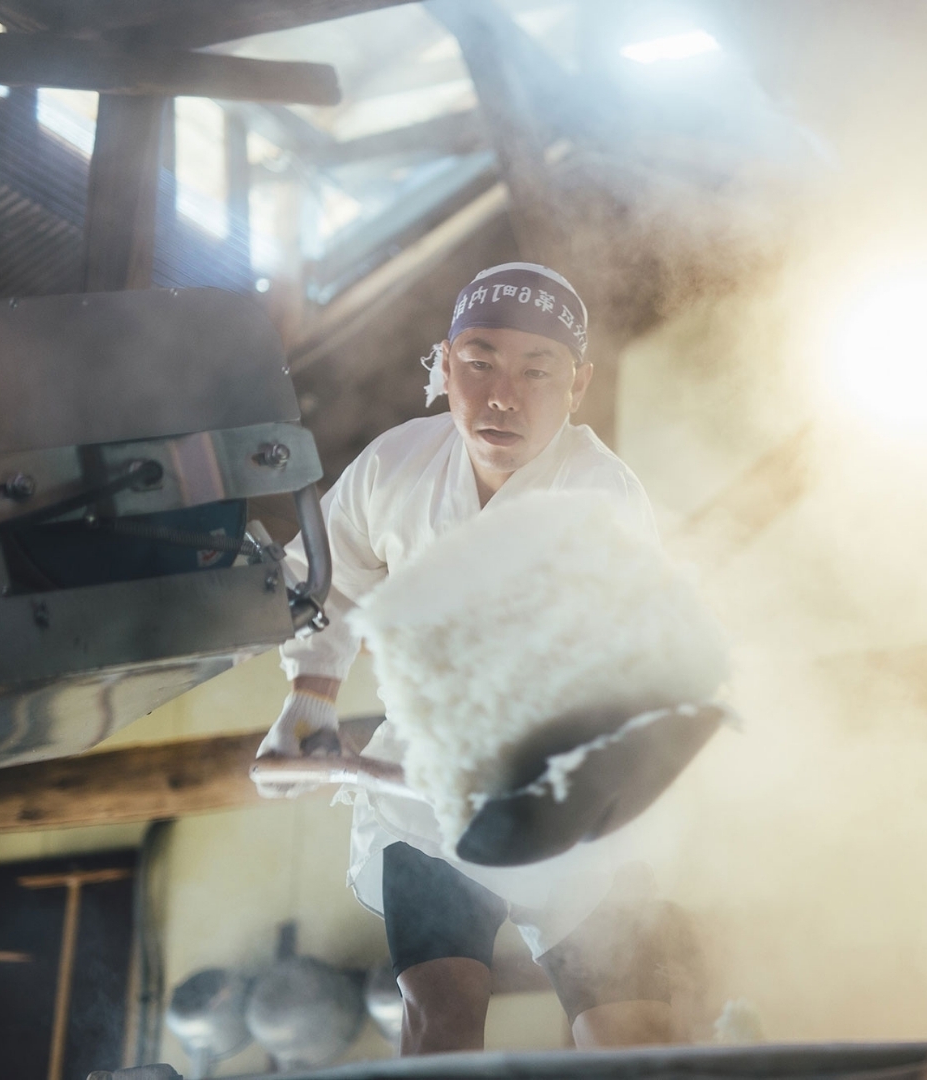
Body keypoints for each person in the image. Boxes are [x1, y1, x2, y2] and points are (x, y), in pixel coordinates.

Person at [255, 262, 684, 1054]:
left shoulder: (603, 498)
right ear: (445, 364)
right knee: (441, 1015)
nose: (503, 396)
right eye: (480, 363)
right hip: (423, 795)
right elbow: (327, 584)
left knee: (631, 1036)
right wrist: (309, 703)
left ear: (578, 385)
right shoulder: (393, 467)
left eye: (537, 371)